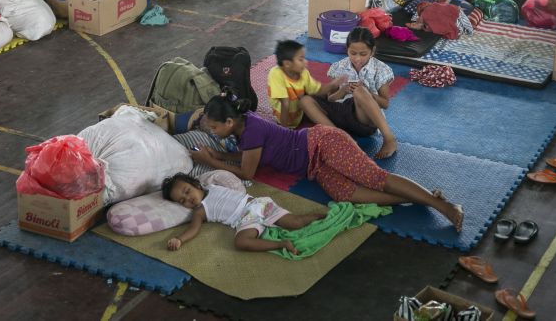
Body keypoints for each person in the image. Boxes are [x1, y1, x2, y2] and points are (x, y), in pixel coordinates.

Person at [189, 94, 464, 230]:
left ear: (228, 122)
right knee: (348, 195)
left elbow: (248, 170)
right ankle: (420, 198)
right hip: (314, 167)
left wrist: (209, 161)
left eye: (214, 128)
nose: (213, 134)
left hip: (321, 143)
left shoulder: (251, 130)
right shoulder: (242, 129)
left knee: (375, 178)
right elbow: (250, 156)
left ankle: (442, 204)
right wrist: (221, 155)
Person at [161, 173, 326, 255]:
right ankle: (282, 244)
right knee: (241, 243)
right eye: (182, 201)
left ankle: (321, 215)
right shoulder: (199, 211)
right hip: (246, 219)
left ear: (196, 184)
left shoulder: (210, 185)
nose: (188, 199)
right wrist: (179, 239)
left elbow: (222, 175)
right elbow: (193, 229)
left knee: (295, 222)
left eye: (187, 191)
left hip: (257, 204)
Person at [300, 28, 398, 159]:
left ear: (372, 51)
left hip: (364, 119)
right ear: (347, 49)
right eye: (353, 53)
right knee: (305, 100)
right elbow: (331, 99)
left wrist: (368, 93)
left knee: (360, 91)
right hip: (341, 115)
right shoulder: (339, 67)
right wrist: (343, 90)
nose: (357, 58)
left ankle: (389, 139)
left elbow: (385, 104)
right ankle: (339, 137)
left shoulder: (381, 69)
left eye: (363, 54)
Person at [267, 40, 345, 128]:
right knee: (308, 100)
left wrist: (334, 84)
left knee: (324, 92)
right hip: (284, 120)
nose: (305, 62)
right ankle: (335, 130)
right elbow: (285, 103)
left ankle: (333, 109)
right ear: (287, 64)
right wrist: (284, 131)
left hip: (299, 112)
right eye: (301, 59)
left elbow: (319, 90)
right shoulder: (276, 74)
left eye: (304, 58)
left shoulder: (303, 73)